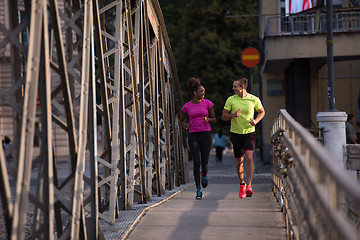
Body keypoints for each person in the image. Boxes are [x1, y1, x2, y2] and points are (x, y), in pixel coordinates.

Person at [222, 76, 265, 199]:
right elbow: (224, 116)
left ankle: (249, 185)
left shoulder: (253, 99)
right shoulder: (231, 100)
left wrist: (256, 121)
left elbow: (262, 111)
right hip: (236, 133)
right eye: (233, 86)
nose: (233, 88)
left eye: (235, 86)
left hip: (249, 132)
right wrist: (233, 115)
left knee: (249, 158)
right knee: (239, 160)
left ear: (243, 87)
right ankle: (242, 184)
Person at [180, 77, 216, 199]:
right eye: (201, 91)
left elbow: (214, 119)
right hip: (193, 135)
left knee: (204, 163)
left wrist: (208, 119)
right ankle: (198, 189)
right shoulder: (187, 106)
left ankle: (204, 175)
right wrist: (184, 124)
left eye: (204, 91)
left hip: (205, 134)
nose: (203, 93)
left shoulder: (208, 103)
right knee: (196, 162)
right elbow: (181, 120)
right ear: (195, 92)